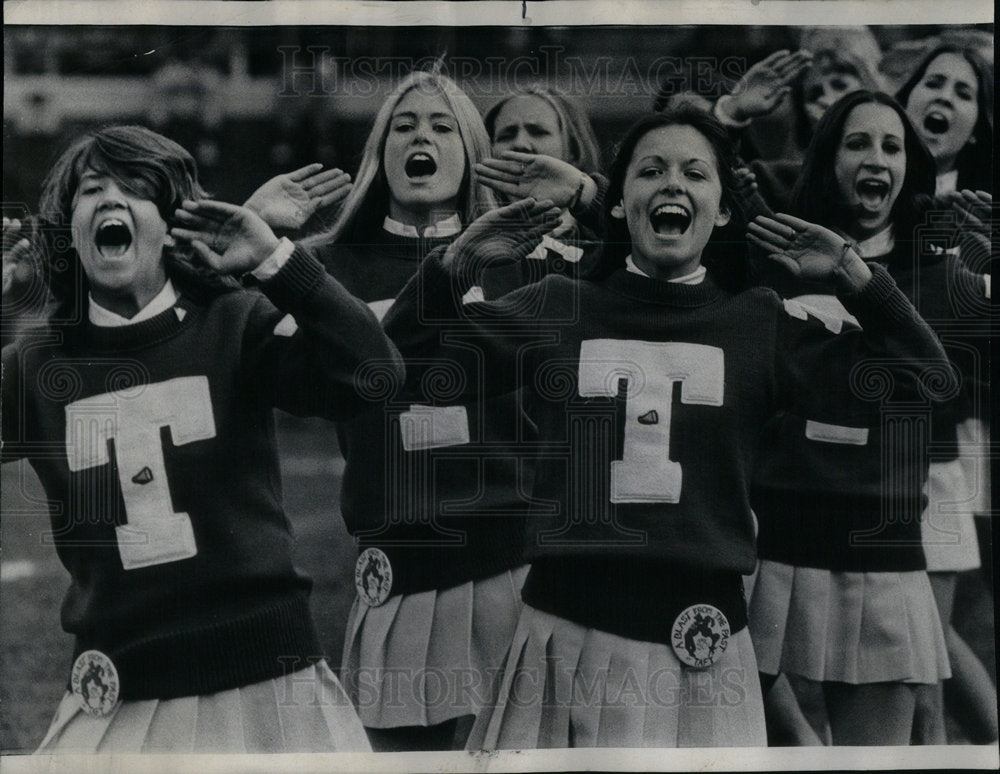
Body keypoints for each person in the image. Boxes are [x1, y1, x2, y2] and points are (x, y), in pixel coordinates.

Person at [381, 104, 952, 748]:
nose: (673, 184)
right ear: (619, 204)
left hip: (701, 634)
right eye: (651, 171)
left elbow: (923, 383)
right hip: (566, 628)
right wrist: (457, 263)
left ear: (725, 209)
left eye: (695, 173)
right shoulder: (559, 304)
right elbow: (389, 368)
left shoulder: (758, 323)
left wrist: (855, 276)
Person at [1, 125, 398, 753]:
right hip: (123, 686)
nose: (112, 201)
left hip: (266, 678)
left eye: (136, 190)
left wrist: (276, 262)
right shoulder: (35, 363)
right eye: (92, 189)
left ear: (171, 224)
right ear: (65, 229)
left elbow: (374, 375)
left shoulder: (233, 321)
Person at [746, 90, 990, 745]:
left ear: (911, 166)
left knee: (907, 728)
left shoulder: (939, 265)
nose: (875, 157)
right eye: (857, 143)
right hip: (780, 530)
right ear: (828, 159)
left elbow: (947, 383)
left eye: (891, 146)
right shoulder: (776, 252)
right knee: (772, 728)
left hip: (884, 528)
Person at [896, 44, 993, 195]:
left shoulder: (983, 210)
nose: (945, 97)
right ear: (904, 103)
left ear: (976, 131)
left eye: (963, 94)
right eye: (933, 84)